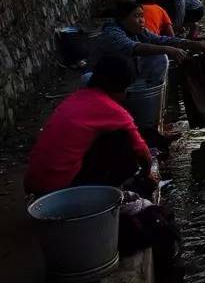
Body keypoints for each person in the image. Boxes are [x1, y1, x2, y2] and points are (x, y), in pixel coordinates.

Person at [24, 55, 154, 195]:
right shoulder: (111, 110)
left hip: (34, 186)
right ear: (121, 87)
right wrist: (147, 173)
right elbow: (142, 152)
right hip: (60, 191)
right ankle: (110, 191)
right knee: (123, 139)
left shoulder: (74, 99)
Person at [97, 0, 205, 84]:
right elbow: (133, 47)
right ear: (122, 19)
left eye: (142, 16)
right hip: (106, 78)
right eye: (136, 16)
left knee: (158, 57)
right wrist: (168, 50)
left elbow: (161, 40)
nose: (141, 20)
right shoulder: (112, 32)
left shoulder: (138, 31)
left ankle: (148, 89)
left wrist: (190, 43)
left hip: (125, 75)